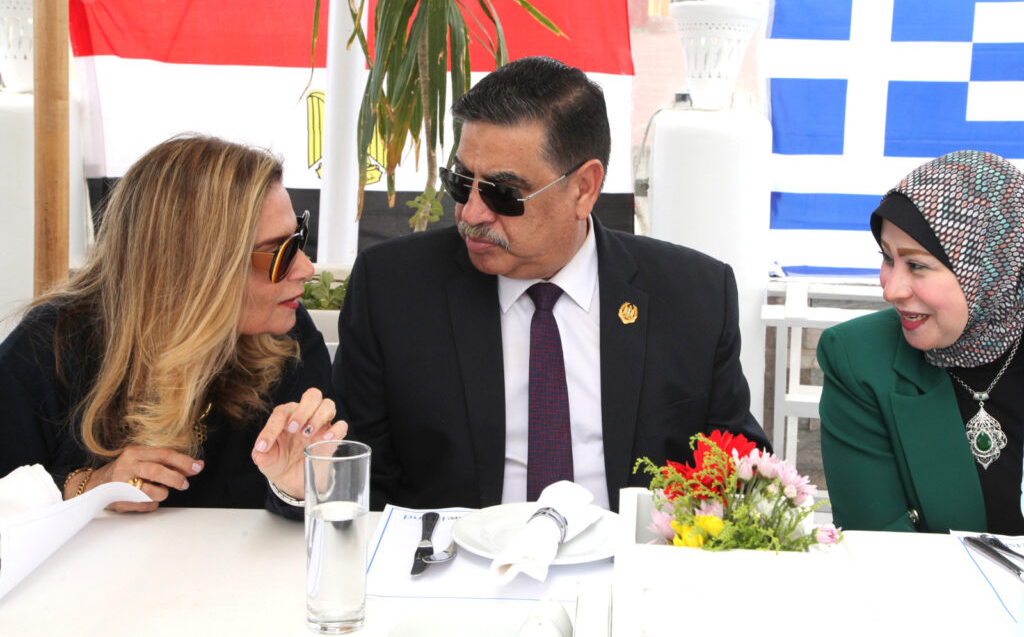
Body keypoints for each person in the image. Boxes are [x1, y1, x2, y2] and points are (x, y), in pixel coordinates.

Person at [336, 56, 769, 512]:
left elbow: (741, 474)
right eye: (461, 182)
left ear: (584, 188)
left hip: (628, 554)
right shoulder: (394, 290)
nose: (471, 213)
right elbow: (353, 478)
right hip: (455, 554)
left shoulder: (692, 297)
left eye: (503, 193)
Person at [0, 135, 346, 513]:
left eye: (298, 238)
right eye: (280, 253)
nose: (306, 268)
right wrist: (85, 487)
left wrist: (298, 490)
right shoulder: (52, 345)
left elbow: (334, 508)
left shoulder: (287, 338)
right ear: (197, 267)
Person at [819, 149, 1024, 534]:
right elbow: (881, 541)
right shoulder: (859, 360)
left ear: (991, 267)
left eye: (916, 265)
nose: (891, 290)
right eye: (887, 258)